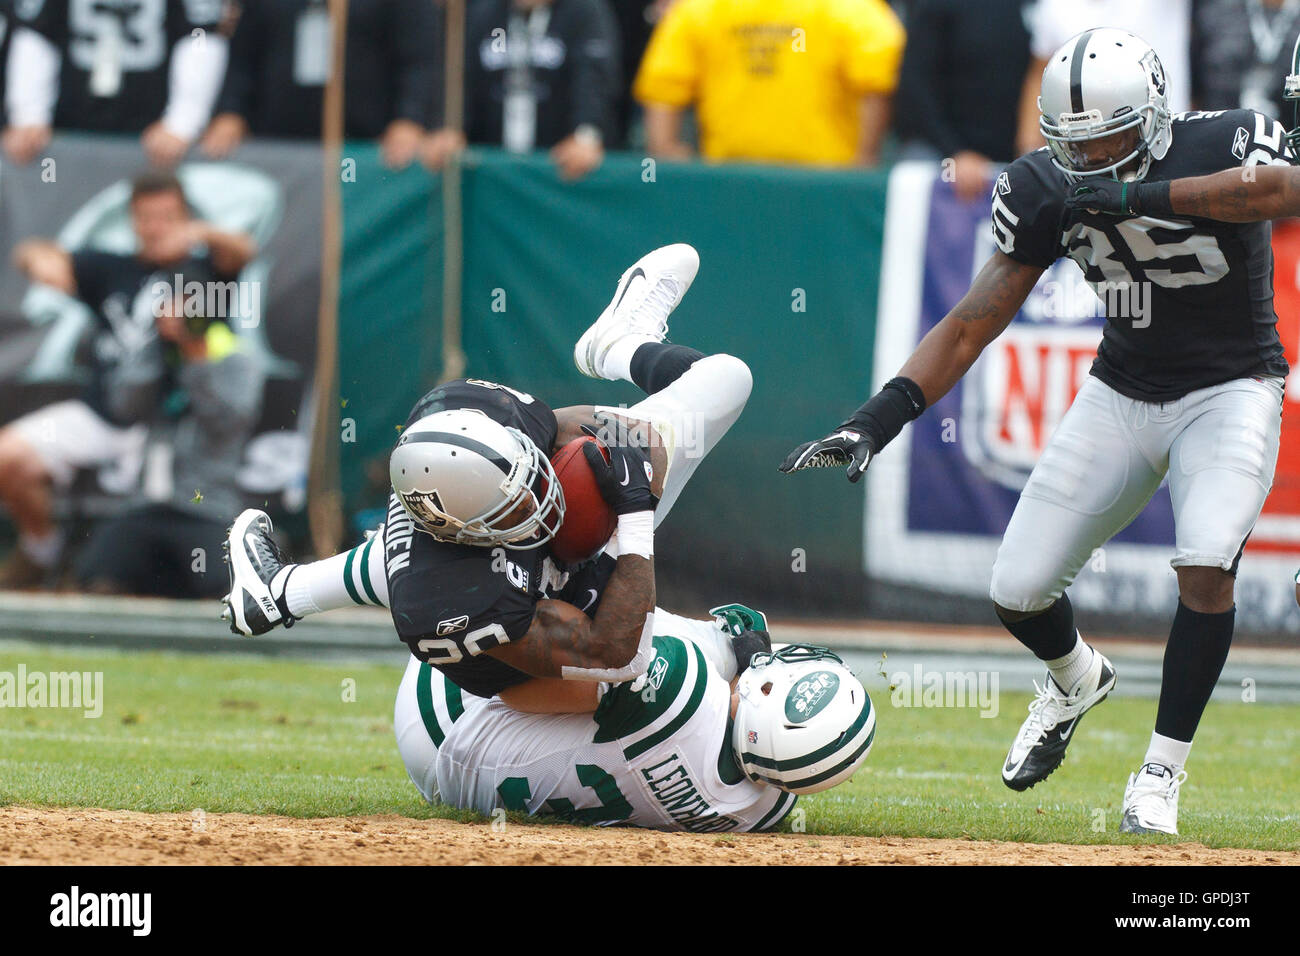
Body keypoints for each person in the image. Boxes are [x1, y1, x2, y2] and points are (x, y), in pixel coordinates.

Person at [780, 29, 1291, 837]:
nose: (1095, 162)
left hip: (1232, 387)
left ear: (1154, 115)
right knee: (1017, 590)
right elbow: (974, 322)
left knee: (1204, 563)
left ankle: (1159, 773)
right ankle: (1075, 677)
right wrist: (877, 421)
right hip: (1123, 389)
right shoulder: (1046, 186)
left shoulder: (1218, 137)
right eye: (1076, 147)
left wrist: (1136, 199)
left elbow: (1280, 193)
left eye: (1113, 139)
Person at [224, 244, 756, 702]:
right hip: (545, 646)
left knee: (728, 378)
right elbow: (616, 657)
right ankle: (283, 593)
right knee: (728, 650)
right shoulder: (452, 592)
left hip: (533, 566)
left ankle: (615, 346)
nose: (542, 503)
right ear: (464, 532)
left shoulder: (478, 412)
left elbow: (571, 425)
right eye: (516, 509)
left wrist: (625, 450)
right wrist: (635, 513)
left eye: (532, 480)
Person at [0, 172, 258, 589]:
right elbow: (34, 252)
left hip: (179, 420)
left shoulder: (207, 267)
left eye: (167, 217)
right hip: (111, 409)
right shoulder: (112, 267)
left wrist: (197, 236)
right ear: (132, 221)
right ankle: (41, 549)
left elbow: (242, 250)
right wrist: (42, 262)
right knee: (7, 455)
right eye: (146, 218)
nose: (157, 228)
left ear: (186, 217)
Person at [395, 612, 875, 831]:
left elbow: (514, 688)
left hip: (447, 716)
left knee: (595, 600)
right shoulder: (760, 812)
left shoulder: (680, 687)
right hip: (467, 784)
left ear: (769, 693)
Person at [73, 291, 263, 597]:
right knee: (97, 572)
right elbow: (124, 405)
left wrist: (196, 356)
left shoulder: (236, 358)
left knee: (227, 588)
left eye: (188, 314)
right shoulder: (159, 355)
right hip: (147, 506)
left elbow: (228, 420)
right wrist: (157, 347)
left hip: (206, 507)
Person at [632, 0, 905, 167]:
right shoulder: (851, 7)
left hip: (818, 181)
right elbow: (879, 80)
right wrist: (663, 148)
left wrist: (664, 147)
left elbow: (878, 80)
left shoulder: (701, 7)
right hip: (738, 177)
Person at [201, 0, 439, 169]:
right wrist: (231, 111)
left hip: (363, 146)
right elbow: (243, 57)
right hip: (280, 141)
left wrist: (409, 119)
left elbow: (419, 59)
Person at [3, 0, 229, 167]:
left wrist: (182, 121)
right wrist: (29, 115)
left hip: (151, 127)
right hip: (72, 121)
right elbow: (36, 34)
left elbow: (200, 36)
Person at [421, 0, 620, 181]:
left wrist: (585, 135)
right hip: (492, 172)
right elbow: (459, 79)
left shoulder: (584, 11)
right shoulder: (482, 13)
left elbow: (594, 80)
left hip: (558, 171)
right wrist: (450, 127)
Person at [892, 0, 1032, 200]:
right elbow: (915, 87)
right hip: (942, 152)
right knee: (915, 174)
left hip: (1018, 156)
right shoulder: (935, 7)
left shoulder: (1042, 7)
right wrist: (956, 153)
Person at [1014, 0, 1191, 157]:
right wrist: (1028, 146)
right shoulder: (1054, 5)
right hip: (1086, 153)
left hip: (1163, 139)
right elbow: (1039, 73)